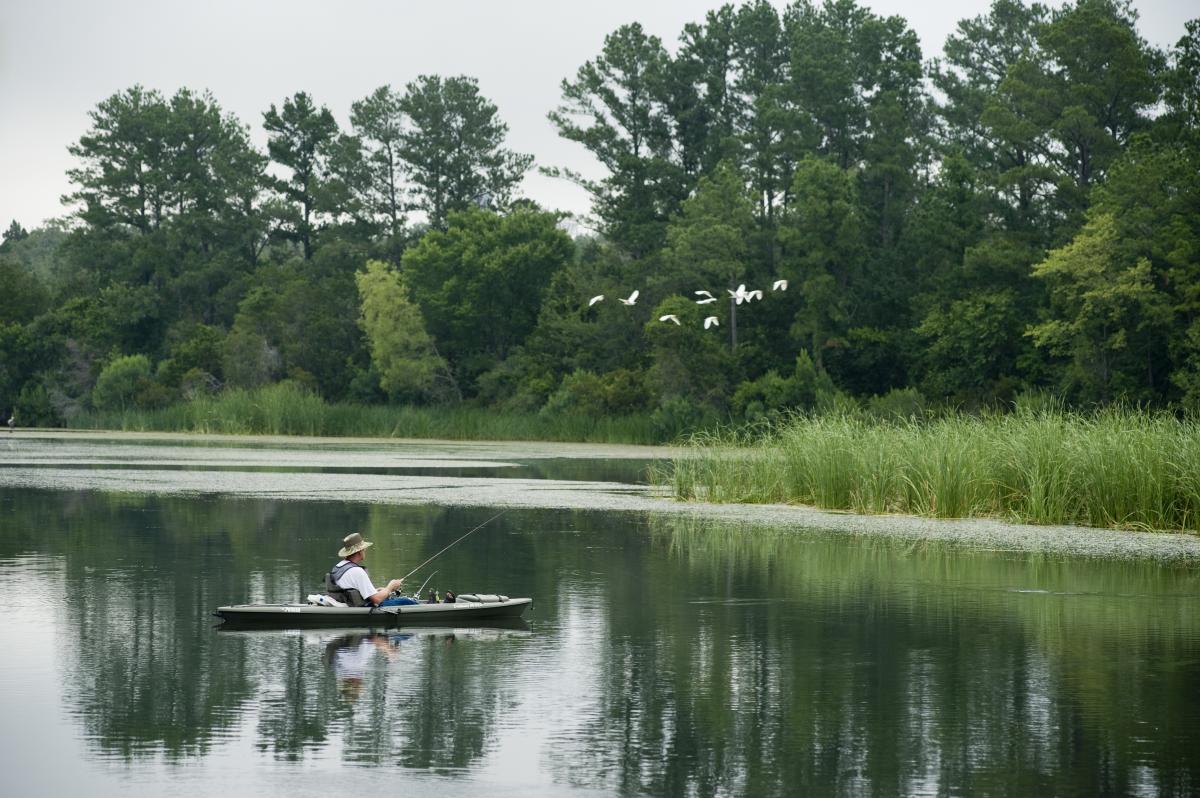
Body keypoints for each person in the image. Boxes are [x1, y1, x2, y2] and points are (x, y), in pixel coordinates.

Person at [325, 532, 406, 607]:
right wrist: (390, 587)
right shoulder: (357, 571)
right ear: (360, 551)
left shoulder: (338, 566)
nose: (365, 550)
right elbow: (377, 600)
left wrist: (375, 591)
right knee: (407, 601)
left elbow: (349, 588)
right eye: (364, 548)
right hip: (363, 607)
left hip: (346, 603)